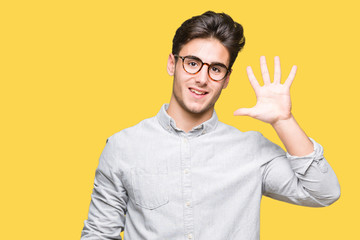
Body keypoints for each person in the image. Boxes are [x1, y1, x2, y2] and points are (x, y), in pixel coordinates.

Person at [81, 11, 340, 240]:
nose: (202, 79)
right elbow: (99, 233)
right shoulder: (123, 146)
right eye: (192, 63)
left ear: (226, 79)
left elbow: (323, 192)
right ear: (173, 64)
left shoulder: (252, 150)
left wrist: (284, 121)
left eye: (216, 69)